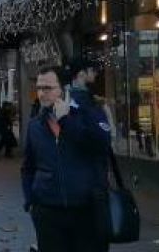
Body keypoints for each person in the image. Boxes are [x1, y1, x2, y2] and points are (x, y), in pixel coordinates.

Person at [22, 64, 110, 252]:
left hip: (86, 209)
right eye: (39, 88)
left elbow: (100, 144)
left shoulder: (87, 112)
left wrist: (66, 121)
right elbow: (28, 166)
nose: (42, 93)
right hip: (47, 211)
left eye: (48, 88)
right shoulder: (35, 125)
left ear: (63, 88)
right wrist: (30, 200)